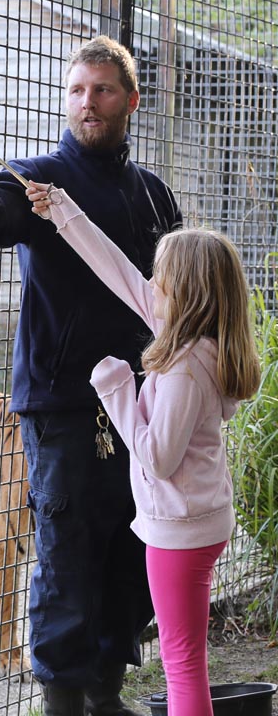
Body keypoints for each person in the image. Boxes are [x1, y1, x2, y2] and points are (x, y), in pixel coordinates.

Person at [0, 36, 183, 715]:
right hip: (63, 407)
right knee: (66, 556)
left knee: (132, 548)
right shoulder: (39, 183)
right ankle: (64, 701)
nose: (87, 102)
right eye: (77, 90)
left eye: (101, 90)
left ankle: (107, 691)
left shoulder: (154, 198)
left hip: (145, 405)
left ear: (130, 100)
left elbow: (177, 294)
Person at [25, 179, 261, 715]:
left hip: (181, 530)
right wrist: (62, 210)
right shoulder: (192, 337)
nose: (152, 282)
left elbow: (157, 456)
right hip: (194, 522)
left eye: (163, 276)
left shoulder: (183, 366)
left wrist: (115, 390)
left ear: (188, 290)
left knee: (181, 661)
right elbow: (120, 274)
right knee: (185, 656)